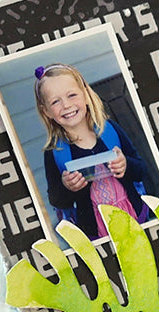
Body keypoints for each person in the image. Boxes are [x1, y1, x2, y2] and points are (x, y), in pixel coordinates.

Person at [34, 64, 150, 240]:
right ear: (46, 111)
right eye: (55, 101)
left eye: (72, 95)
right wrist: (67, 187)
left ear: (86, 95)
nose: (66, 105)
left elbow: (141, 170)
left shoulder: (110, 129)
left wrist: (126, 165)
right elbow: (57, 200)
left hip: (135, 219)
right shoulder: (55, 151)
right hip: (97, 233)